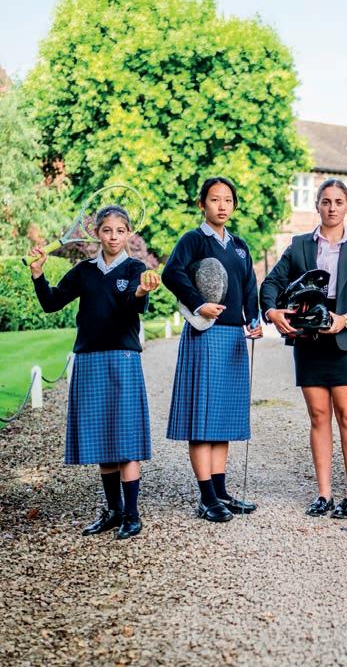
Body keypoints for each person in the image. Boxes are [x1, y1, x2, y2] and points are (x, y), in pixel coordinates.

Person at [29, 205, 160, 539]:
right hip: (89, 359)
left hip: (123, 358)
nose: (114, 237)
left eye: (120, 231)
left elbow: (133, 304)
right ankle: (114, 511)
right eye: (107, 230)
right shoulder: (84, 271)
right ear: (97, 233)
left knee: (127, 438)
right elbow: (51, 303)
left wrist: (142, 291)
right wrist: (38, 274)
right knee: (103, 439)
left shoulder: (136, 269)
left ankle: (132, 515)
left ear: (129, 233)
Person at [260, 178, 347, 519]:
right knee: (318, 416)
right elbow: (271, 282)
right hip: (309, 340)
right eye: (326, 201)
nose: (331, 208)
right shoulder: (299, 245)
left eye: (338, 202)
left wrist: (346, 319)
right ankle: (324, 494)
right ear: (317, 205)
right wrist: (271, 312)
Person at [162, 177, 262, 523]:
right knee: (203, 419)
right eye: (215, 199)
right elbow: (171, 274)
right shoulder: (192, 240)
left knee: (223, 418)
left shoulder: (240, 246)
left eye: (228, 200)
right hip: (205, 335)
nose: (222, 205)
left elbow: (250, 286)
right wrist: (198, 303)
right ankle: (206, 498)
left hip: (234, 337)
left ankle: (220, 492)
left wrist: (254, 319)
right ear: (202, 203)